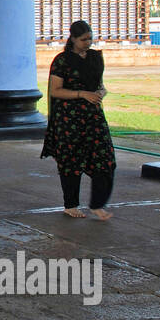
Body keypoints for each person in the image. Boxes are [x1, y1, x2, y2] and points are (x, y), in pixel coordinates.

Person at [40, 20, 115, 220]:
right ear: (72, 39)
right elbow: (55, 91)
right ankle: (71, 204)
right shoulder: (62, 60)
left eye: (90, 38)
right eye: (83, 40)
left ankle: (98, 204)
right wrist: (82, 94)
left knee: (105, 159)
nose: (87, 43)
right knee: (71, 160)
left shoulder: (95, 58)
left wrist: (100, 92)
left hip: (93, 116)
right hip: (69, 118)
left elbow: (99, 85)